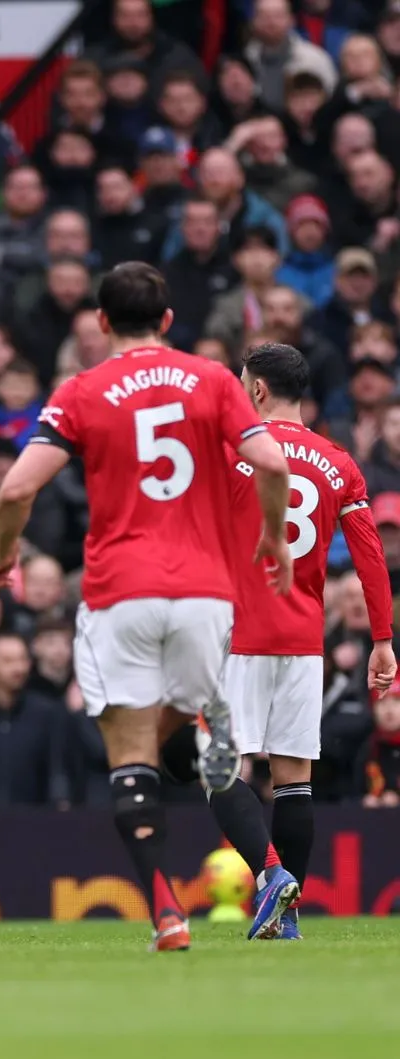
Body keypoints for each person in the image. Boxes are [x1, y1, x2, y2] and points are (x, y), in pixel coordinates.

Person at [0, 262, 293, 952]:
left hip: (121, 591)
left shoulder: (83, 390)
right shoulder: (213, 379)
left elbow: (14, 492)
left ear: (99, 323)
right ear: (170, 322)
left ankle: (168, 915)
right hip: (207, 595)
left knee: (129, 757)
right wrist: (273, 537)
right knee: (184, 742)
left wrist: (3, 557)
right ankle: (266, 862)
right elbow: (272, 463)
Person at [209, 343, 396, 941]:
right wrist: (383, 640)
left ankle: (270, 879)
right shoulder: (338, 461)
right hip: (303, 636)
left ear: (258, 390)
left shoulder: (234, 451)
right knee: (293, 780)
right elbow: (370, 560)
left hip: (241, 630)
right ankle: (285, 921)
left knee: (220, 770)